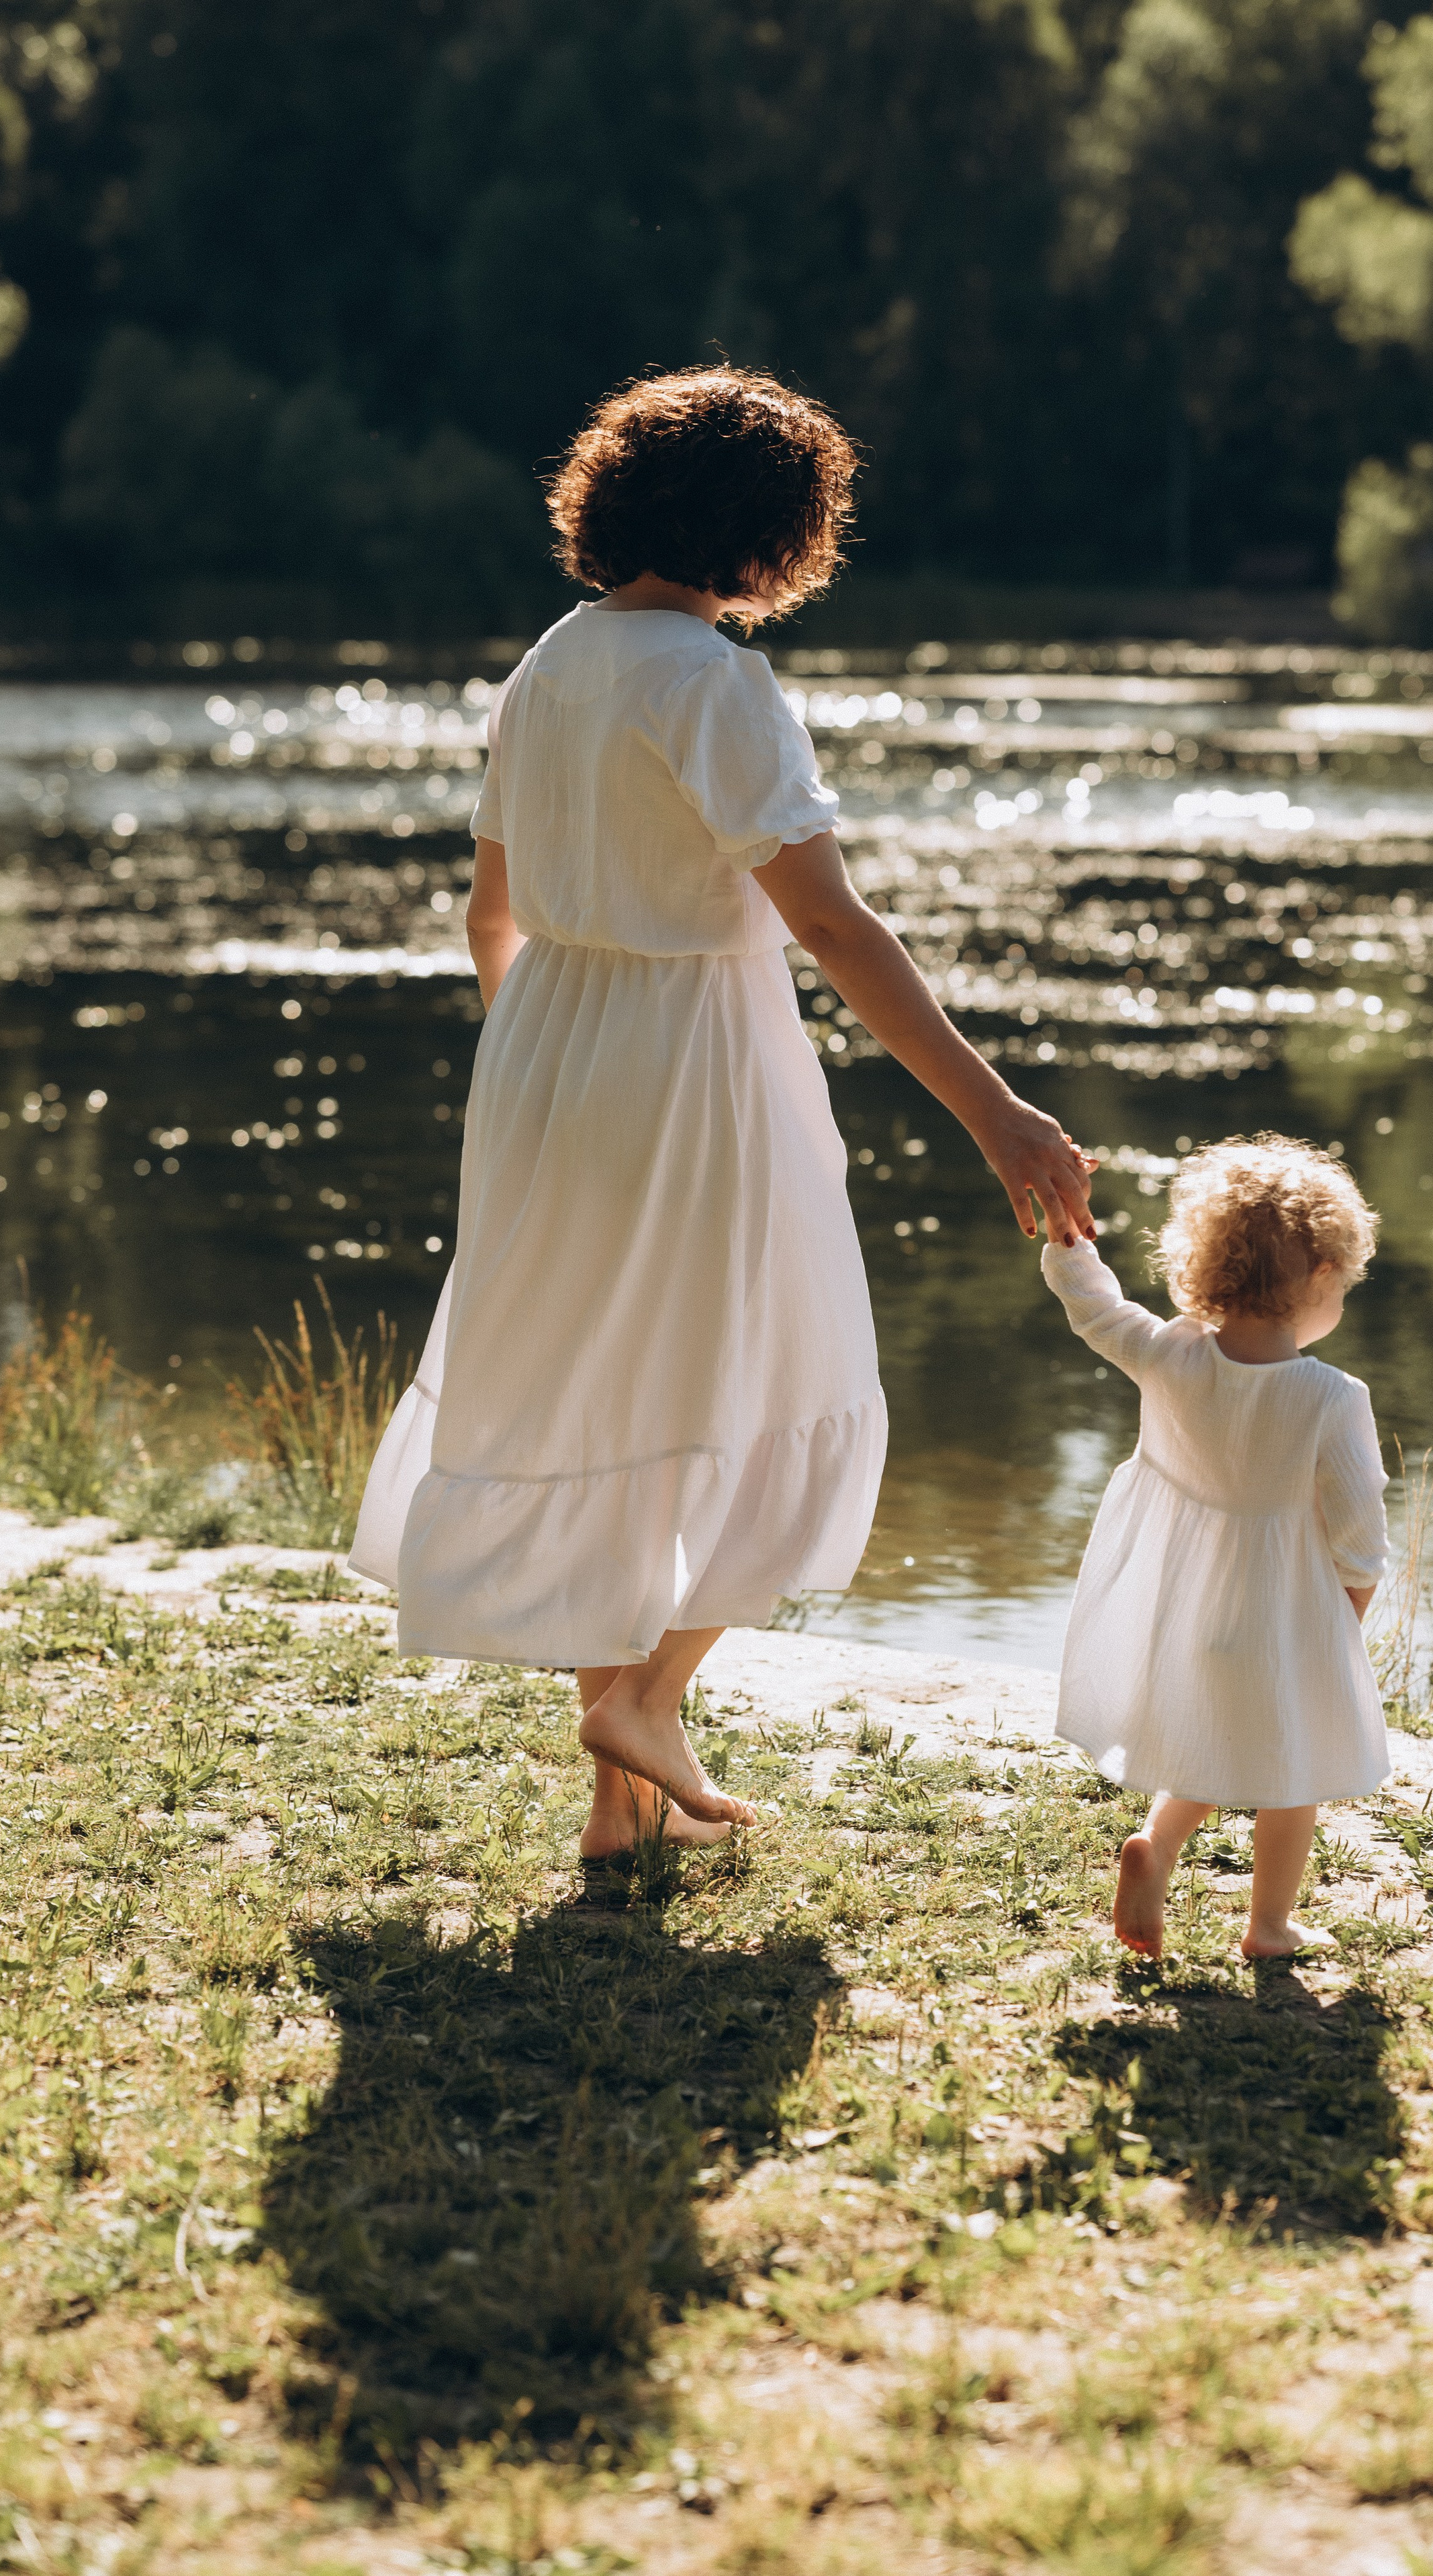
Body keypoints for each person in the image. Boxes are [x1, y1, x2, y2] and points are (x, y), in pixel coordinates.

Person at [351, 365, 1095, 1860]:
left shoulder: (550, 664)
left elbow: (487, 912)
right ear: (771, 534)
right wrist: (997, 1111)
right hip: (697, 1062)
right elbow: (828, 928)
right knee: (771, 1376)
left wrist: (542, 1065)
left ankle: (620, 1795)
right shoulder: (716, 684)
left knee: (604, 1394)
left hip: (551, 1057)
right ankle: (651, 1697)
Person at [1039, 1134, 1390, 1960]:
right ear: (1321, 1277)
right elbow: (1358, 1526)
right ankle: (1268, 1925)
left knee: (1212, 1732)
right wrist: (1354, 1601)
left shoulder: (1168, 1354)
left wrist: (1068, 1234)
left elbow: (1095, 1307)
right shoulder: (1331, 1397)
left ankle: (1156, 1850)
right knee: (1289, 1771)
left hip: (1187, 1600)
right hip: (1287, 1610)